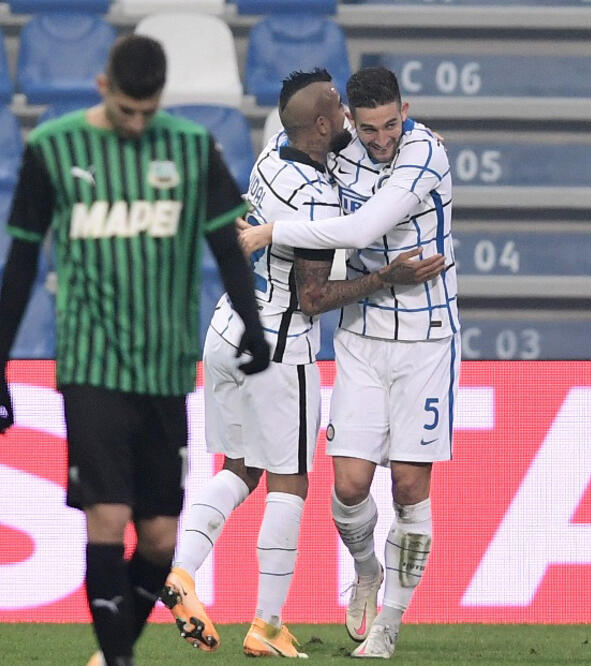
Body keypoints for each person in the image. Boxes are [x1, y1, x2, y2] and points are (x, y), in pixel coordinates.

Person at [0, 35, 270, 666]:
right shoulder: (53, 149)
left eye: (148, 111)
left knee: (163, 541)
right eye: (126, 111)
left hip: (166, 369)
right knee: (108, 518)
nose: (137, 124)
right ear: (102, 85)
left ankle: (112, 657)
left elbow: (227, 245)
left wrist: (252, 323)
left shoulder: (193, 149)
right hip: (92, 367)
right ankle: (118, 660)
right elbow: (22, 259)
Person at [162, 68, 445, 660]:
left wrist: (265, 231)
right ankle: (267, 624)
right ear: (323, 124)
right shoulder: (317, 190)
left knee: (239, 468)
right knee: (289, 482)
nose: (348, 118)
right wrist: (384, 277)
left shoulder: (271, 155)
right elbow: (315, 297)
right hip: (279, 341)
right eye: (341, 111)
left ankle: (183, 571)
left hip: (226, 328)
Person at [239, 66, 460, 660]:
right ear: (350, 123)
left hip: (426, 336)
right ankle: (366, 570)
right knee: (349, 484)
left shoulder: (425, 151)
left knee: (410, 487)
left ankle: (388, 624)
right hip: (361, 335)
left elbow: (363, 226)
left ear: (405, 110)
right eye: (369, 128)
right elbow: (291, 148)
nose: (382, 137)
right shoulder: (344, 147)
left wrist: (270, 232)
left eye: (391, 123)